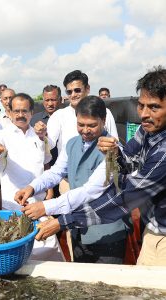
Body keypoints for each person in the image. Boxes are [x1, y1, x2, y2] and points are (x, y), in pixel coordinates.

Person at [36, 66, 166, 266]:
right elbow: (129, 158)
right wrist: (116, 154)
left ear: (103, 122)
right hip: (153, 226)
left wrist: (61, 220)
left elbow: (125, 195)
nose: (144, 114)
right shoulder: (147, 130)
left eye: (154, 107)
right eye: (141, 106)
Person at [15, 96, 128, 264]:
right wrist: (32, 187)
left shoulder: (112, 149)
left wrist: (46, 207)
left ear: (103, 121)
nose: (85, 130)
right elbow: (56, 172)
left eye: (92, 125)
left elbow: (90, 191)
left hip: (106, 233)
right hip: (78, 229)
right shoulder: (72, 143)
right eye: (80, 125)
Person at [0, 93, 64, 261]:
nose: (20, 115)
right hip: (13, 204)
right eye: (16, 111)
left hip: (38, 204)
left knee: (48, 250)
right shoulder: (2, 135)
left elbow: (46, 163)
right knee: (18, 252)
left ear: (31, 112)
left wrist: (49, 190)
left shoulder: (39, 134)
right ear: (9, 112)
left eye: (24, 111)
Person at [47, 70, 118, 154]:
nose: (73, 95)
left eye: (77, 90)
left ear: (87, 89)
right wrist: (41, 137)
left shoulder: (105, 112)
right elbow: (48, 145)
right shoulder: (58, 116)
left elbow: (115, 143)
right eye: (69, 92)